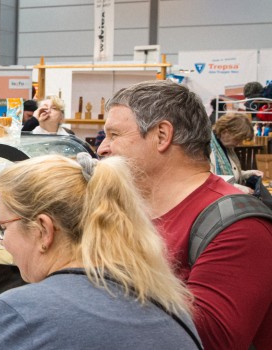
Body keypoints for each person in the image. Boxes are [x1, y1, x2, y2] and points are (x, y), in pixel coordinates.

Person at [0, 155, 201, 349]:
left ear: (44, 231)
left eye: (2, 228)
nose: (2, 243)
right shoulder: (163, 299)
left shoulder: (20, 312)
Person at [96, 80, 272, 349]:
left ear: (162, 135)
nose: (102, 148)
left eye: (114, 135)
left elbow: (208, 338)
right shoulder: (129, 211)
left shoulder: (238, 227)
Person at [209, 113, 262, 193]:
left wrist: (249, 173)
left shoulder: (227, 147)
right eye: (237, 139)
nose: (239, 143)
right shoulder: (206, 148)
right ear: (225, 132)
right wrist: (239, 188)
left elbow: (231, 174)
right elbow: (209, 179)